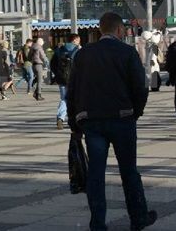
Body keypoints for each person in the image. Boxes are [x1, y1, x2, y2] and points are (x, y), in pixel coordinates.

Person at [66, 12, 157, 231]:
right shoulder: (127, 52)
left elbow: (72, 91)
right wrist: (136, 112)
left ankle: (98, 223)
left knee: (96, 174)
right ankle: (138, 218)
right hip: (122, 119)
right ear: (118, 30)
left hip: (92, 121)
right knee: (129, 172)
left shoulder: (83, 54)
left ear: (100, 29)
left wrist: (74, 123)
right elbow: (140, 87)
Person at [51, 34, 80, 129]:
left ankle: (60, 118)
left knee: (64, 99)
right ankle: (75, 119)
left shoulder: (59, 50)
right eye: (78, 39)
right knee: (76, 99)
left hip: (62, 79)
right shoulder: (78, 50)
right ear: (75, 40)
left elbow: (53, 64)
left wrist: (57, 74)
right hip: (74, 79)